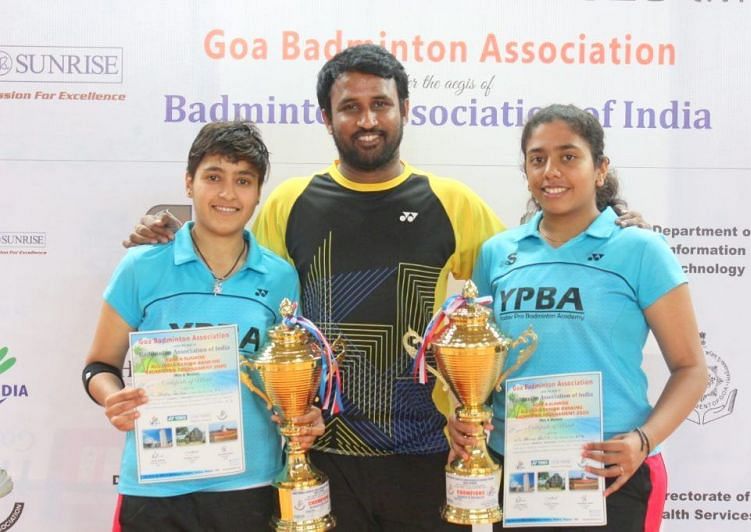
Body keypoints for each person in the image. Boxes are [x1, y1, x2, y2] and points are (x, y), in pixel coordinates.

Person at [124, 47, 648, 531]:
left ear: (405, 109)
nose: (368, 119)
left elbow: (530, 258)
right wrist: (167, 233)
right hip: (318, 454)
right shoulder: (290, 202)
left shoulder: (451, 202)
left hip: (429, 453)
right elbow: (230, 266)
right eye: (350, 107)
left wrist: (610, 221)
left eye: (381, 103)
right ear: (327, 119)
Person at [448, 104, 707, 531]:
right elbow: (481, 364)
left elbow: (692, 368)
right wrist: (465, 413)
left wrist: (643, 441)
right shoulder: (498, 253)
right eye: (537, 159)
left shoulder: (640, 250)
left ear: (600, 168)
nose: (551, 171)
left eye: (568, 156)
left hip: (608, 473)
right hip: (511, 469)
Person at [82, 121, 323, 532]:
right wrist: (113, 398)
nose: (228, 194)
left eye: (243, 181)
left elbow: (285, 380)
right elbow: (99, 366)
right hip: (155, 487)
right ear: (189, 182)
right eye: (214, 177)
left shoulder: (280, 277)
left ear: (258, 193)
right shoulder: (141, 267)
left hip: (250, 484)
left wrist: (304, 413)